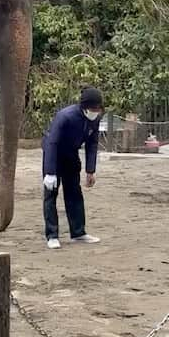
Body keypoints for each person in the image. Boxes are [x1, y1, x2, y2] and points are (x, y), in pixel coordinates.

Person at [42, 87, 103, 250]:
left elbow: (92, 144)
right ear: (84, 107)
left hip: (71, 154)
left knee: (74, 193)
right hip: (54, 153)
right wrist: (50, 172)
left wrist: (91, 170)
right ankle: (52, 235)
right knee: (51, 193)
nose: (96, 111)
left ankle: (78, 232)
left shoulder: (95, 119)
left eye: (98, 108)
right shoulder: (65, 116)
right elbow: (51, 142)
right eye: (93, 108)